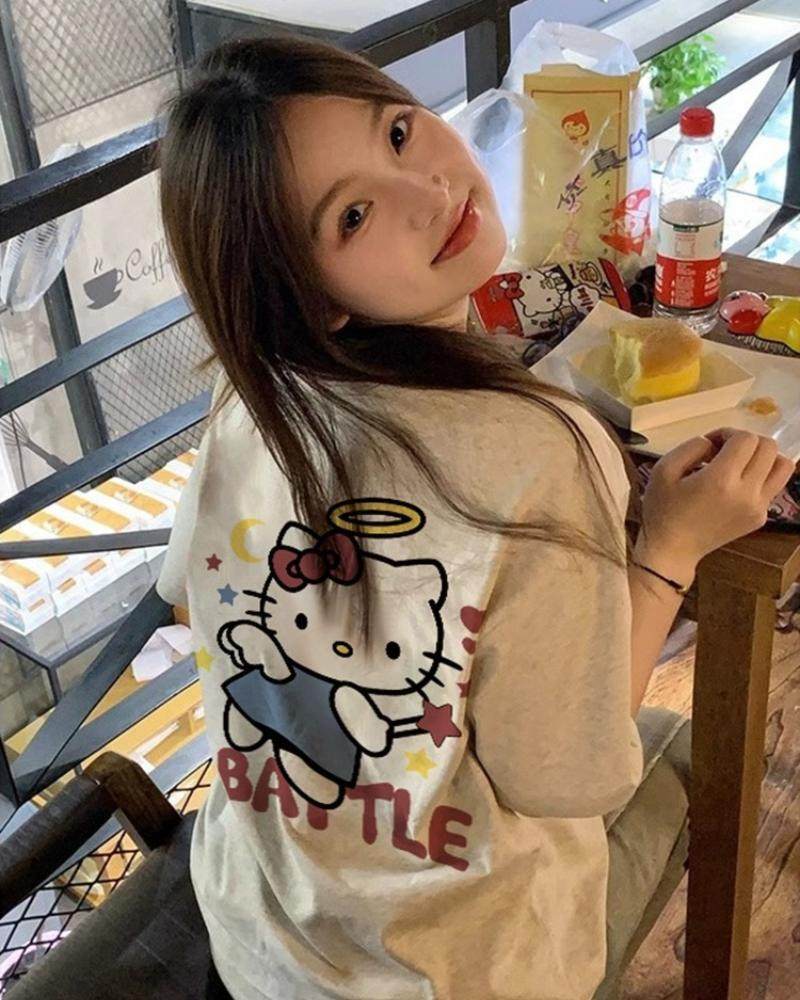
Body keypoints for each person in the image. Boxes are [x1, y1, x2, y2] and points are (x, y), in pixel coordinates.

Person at [154, 36, 795, 1000]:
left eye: (398, 132)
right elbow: (565, 773)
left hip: (261, 937)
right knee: (681, 756)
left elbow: (184, 597)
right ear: (311, 296)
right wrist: (669, 547)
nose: (427, 191)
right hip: (457, 971)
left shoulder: (249, 396)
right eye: (354, 215)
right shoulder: (540, 444)